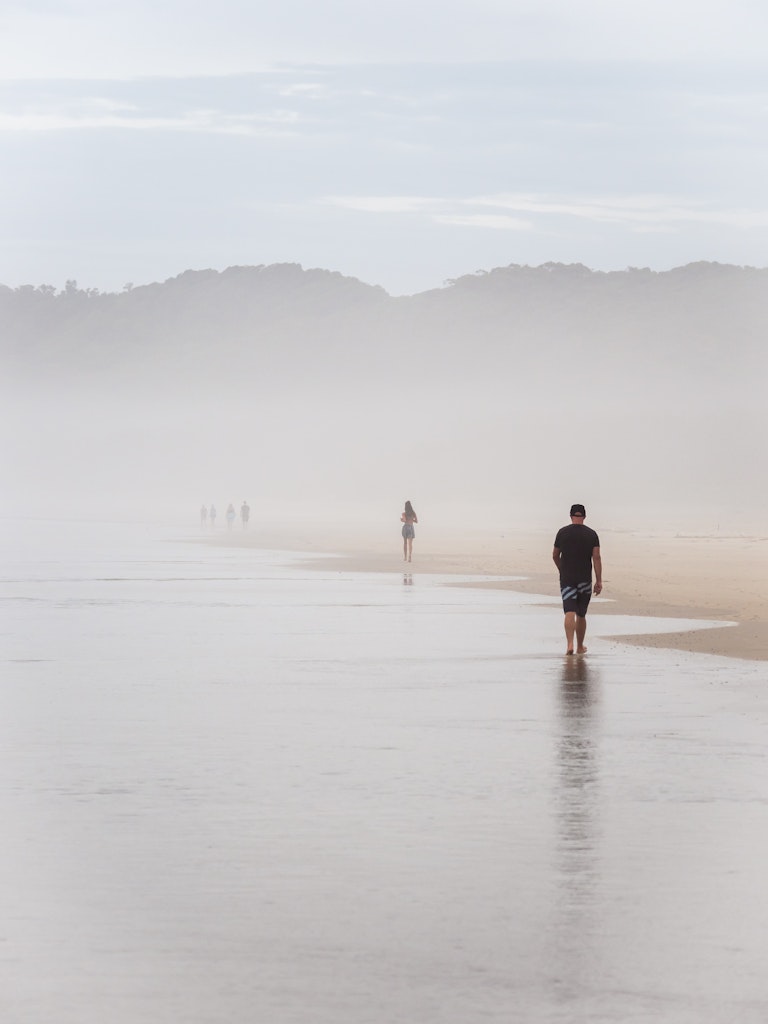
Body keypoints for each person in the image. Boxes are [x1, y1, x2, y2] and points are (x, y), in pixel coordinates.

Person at [552, 503, 602, 656]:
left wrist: (562, 569)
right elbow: (596, 558)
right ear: (584, 517)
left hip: (567, 578)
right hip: (584, 579)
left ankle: (569, 644)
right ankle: (580, 646)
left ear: (571, 516)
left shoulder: (562, 532)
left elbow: (555, 555)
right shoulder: (592, 534)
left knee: (569, 611)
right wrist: (599, 581)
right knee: (581, 614)